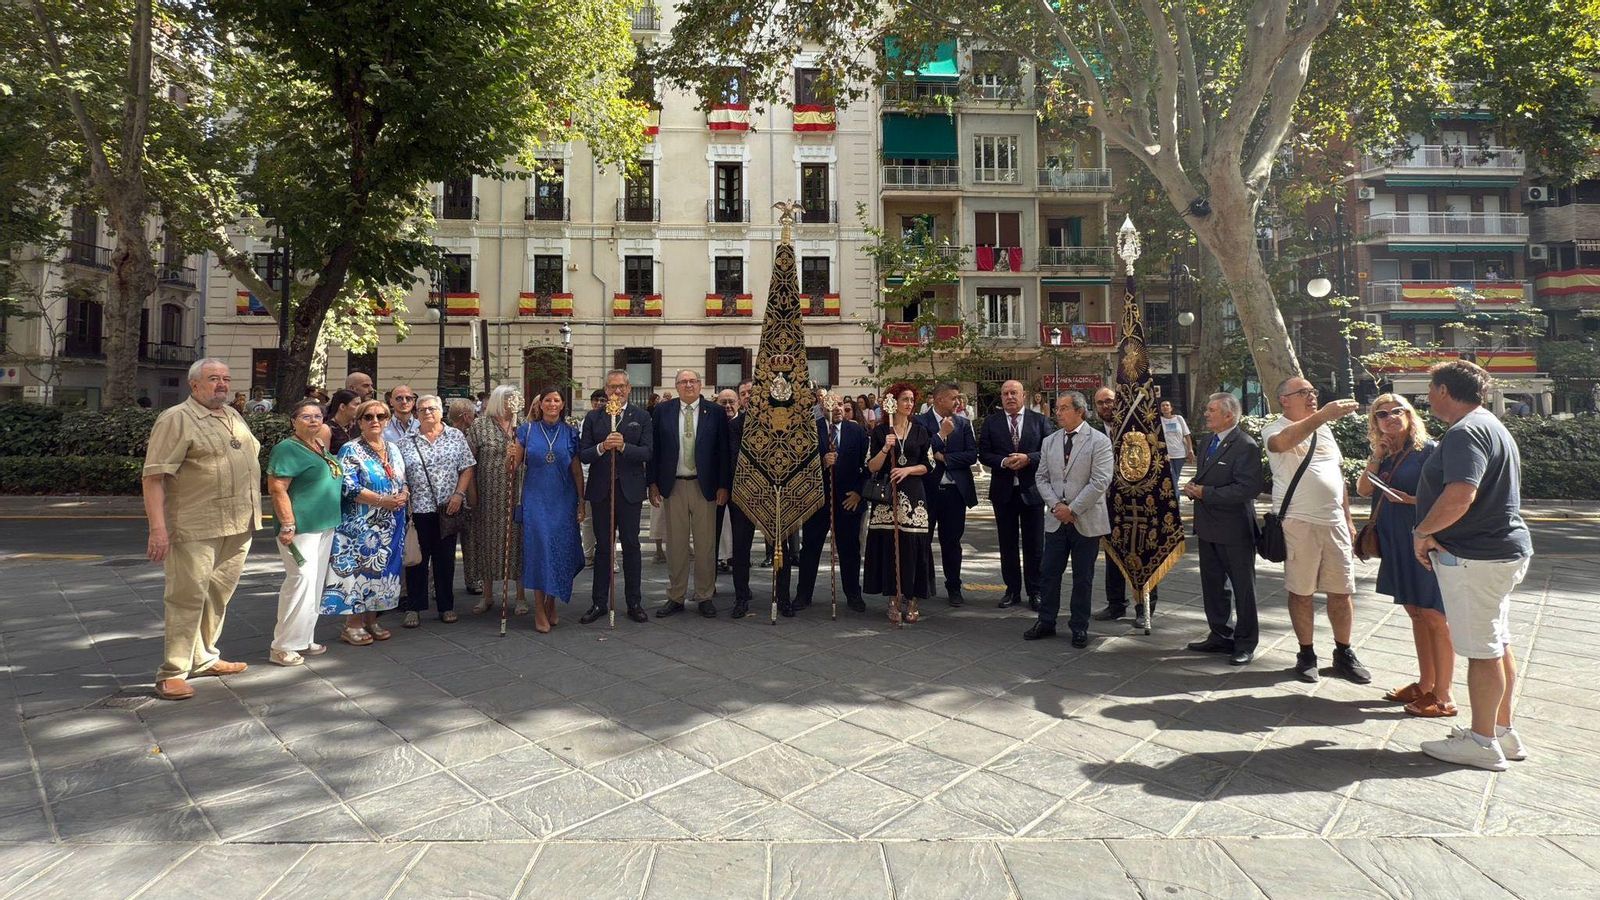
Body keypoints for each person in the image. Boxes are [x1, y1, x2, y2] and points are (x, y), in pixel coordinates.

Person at [1413, 360, 1535, 771]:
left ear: (1444, 391)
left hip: (1476, 557)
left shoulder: (1465, 431)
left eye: (1430, 389)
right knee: (1497, 643)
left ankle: (1482, 742)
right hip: (1498, 552)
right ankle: (1501, 731)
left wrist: (1423, 531)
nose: (1427, 397)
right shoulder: (1490, 424)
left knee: (1482, 651)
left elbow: (1461, 494)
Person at [142, 359, 261, 700]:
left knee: (217, 595)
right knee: (186, 597)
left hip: (239, 523)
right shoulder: (176, 418)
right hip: (195, 524)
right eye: (213, 379)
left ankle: (204, 656)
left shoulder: (233, 415)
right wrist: (158, 529)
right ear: (194, 385)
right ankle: (172, 672)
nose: (222, 384)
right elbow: (154, 477)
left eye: (226, 378)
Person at [1262, 377, 1370, 684]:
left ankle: (1344, 652)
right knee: (1301, 592)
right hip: (1299, 521)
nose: (1311, 396)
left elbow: (1337, 476)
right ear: (1284, 399)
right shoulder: (1274, 427)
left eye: (1313, 391)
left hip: (1334, 523)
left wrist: (1348, 519)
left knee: (1342, 591)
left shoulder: (1325, 429)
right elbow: (1281, 444)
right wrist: (1322, 415)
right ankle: (1306, 653)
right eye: (1303, 392)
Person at [1357, 394, 1453, 717]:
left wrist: (1410, 500)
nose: (1390, 417)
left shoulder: (1429, 451)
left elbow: (1449, 496)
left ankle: (1444, 695)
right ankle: (1425, 684)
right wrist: (1376, 455)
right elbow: (1363, 490)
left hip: (1421, 539)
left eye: (1397, 411)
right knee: (1415, 612)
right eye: (1381, 414)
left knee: (1434, 615)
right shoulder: (1385, 454)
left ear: (1410, 415)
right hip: (1395, 541)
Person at [1026, 392, 1114, 647]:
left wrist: (1072, 509)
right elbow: (1041, 477)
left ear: (1079, 411)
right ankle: (1046, 620)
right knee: (1049, 573)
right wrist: (1056, 506)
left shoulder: (1099, 441)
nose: (1058, 413)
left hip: (1085, 519)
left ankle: (1079, 626)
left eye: (1064, 408)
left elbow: (1100, 481)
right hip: (1056, 519)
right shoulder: (1050, 441)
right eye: (1057, 408)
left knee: (1082, 577)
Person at [1182, 393, 1264, 666]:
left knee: (1243, 589)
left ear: (1229, 415)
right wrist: (1193, 487)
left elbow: (1248, 488)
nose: (1206, 414)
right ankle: (1219, 634)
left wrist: (1206, 493)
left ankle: (1245, 643)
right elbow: (1206, 477)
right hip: (1207, 527)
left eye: (1211, 410)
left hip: (1234, 529)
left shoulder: (1246, 445)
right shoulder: (1208, 441)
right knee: (1213, 586)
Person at [322, 399, 408, 645]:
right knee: (358, 573)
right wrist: (383, 500)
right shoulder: (350, 449)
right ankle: (353, 625)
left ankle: (371, 620)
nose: (375, 421)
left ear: (387, 420)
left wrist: (404, 493)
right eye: (368, 417)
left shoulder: (393, 449)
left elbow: (402, 479)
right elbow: (348, 487)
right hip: (360, 525)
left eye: (380, 416)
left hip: (391, 523)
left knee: (382, 571)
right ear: (359, 422)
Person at [265, 399, 342, 666]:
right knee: (300, 581)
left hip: (324, 524)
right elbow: (277, 488)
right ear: (293, 421)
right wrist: (287, 523)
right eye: (306, 416)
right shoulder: (287, 448)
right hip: (301, 527)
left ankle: (304, 637)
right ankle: (282, 646)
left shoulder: (318, 444)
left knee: (315, 583)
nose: (313, 420)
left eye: (317, 416)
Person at [651, 369, 730, 618]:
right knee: (676, 545)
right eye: (683, 382)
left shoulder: (715, 412)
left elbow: (724, 451)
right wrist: (652, 483)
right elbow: (655, 449)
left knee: (705, 545)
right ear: (676, 386)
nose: (688, 385)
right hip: (673, 486)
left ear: (700, 384)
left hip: (704, 487)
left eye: (692, 381)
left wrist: (724, 485)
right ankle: (676, 596)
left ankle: (705, 595)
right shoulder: (663, 411)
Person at [579, 369, 653, 624]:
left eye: (621, 386)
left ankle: (634, 602)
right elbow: (584, 453)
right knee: (603, 547)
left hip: (629, 491)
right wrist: (602, 447)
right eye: (612, 387)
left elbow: (647, 452)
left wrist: (623, 446)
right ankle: (599, 602)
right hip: (602, 491)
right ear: (606, 389)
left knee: (631, 545)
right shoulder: (593, 417)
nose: (617, 391)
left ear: (629, 388)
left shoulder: (641, 416)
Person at [511, 387, 586, 632]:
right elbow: (511, 468)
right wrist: (509, 455)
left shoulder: (570, 433)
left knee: (559, 551)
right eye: (547, 400)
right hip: (536, 500)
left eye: (556, 400)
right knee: (539, 551)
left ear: (562, 404)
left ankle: (551, 601)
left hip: (563, 499)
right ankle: (539, 609)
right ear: (540, 404)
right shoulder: (527, 430)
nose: (552, 404)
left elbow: (576, 471)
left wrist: (581, 501)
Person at [398, 394, 476, 627]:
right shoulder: (406, 441)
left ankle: (446, 606)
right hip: (418, 510)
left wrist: (459, 494)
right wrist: (405, 492)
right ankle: (414, 607)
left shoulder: (455, 436)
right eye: (422, 409)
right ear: (416, 414)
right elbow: (400, 475)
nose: (427, 413)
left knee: (445, 560)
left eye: (432, 408)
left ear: (441, 411)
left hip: (448, 508)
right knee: (417, 560)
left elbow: (467, 467)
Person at [863, 384, 934, 624]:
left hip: (913, 494)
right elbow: (871, 466)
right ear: (892, 403)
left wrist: (908, 470)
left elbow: (929, 464)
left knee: (913, 545)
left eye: (912, 400)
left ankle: (912, 598)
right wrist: (886, 448)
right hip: (887, 495)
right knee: (890, 545)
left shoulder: (921, 431)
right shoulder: (881, 431)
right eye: (904, 399)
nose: (909, 403)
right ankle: (893, 597)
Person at [978, 379, 1048, 610]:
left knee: (1035, 545)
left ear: (1023, 395)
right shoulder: (992, 422)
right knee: (1007, 544)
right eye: (1005, 393)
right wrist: (1003, 461)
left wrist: (1028, 458)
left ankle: (1036, 591)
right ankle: (1012, 590)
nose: (1009, 397)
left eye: (1013, 393)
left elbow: (1049, 451)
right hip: (1003, 492)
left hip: (1032, 492)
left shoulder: (1040, 421)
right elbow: (984, 453)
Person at [1090, 387, 1159, 622]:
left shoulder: (1137, 429)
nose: (1106, 406)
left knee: (1142, 554)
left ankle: (1144, 608)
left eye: (1109, 401)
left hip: (1137, 504)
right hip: (1107, 505)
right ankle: (1116, 604)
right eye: (1100, 403)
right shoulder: (1093, 432)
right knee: (1113, 555)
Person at [796, 394, 869, 611]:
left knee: (850, 549)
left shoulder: (856, 431)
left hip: (848, 500)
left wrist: (859, 493)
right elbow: (800, 466)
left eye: (839, 404)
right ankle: (803, 595)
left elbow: (867, 466)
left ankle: (853, 594)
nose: (837, 408)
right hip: (818, 501)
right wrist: (821, 462)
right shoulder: (810, 429)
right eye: (831, 404)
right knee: (810, 548)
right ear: (821, 407)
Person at [465, 386, 525, 615]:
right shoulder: (480, 426)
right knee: (487, 542)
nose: (514, 404)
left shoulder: (522, 426)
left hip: (516, 493)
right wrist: (471, 492)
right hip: (488, 493)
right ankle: (487, 595)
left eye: (516, 400)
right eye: (510, 400)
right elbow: (469, 461)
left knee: (517, 543)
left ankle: (520, 596)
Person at [918, 382, 978, 606]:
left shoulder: (963, 423)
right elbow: (921, 451)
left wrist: (946, 458)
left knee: (952, 542)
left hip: (954, 492)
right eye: (953, 398)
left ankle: (954, 586)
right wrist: (941, 434)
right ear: (939, 399)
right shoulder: (920, 422)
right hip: (927, 491)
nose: (958, 402)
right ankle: (922, 585)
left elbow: (971, 455)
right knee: (922, 540)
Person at [449, 398, 485, 597]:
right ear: (466, 416)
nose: (475, 417)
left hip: (451, 496)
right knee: (469, 540)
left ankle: (438, 585)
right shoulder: (464, 436)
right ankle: (473, 579)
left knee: (450, 542)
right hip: (461, 495)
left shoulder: (447, 434)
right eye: (473, 414)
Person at [715, 389, 739, 572]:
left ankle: (742, 587)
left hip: (742, 489)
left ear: (738, 403)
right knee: (713, 535)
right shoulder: (711, 424)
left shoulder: (748, 424)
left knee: (741, 538)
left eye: (731, 402)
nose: (728, 406)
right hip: (715, 489)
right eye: (723, 403)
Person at [1159, 399, 1195, 493]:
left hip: (1179, 453)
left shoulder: (1179, 418)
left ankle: (1174, 496)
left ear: (1171, 408)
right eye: (1163, 405)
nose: (1165, 407)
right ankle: (1176, 497)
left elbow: (1187, 435)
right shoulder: (1159, 420)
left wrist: (1190, 450)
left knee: (1176, 477)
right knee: (1171, 477)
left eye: (1167, 405)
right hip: (1166, 454)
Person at [326, 389, 361, 453]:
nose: (360, 408)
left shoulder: (357, 425)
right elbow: (322, 456)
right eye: (356, 404)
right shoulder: (327, 429)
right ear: (342, 407)